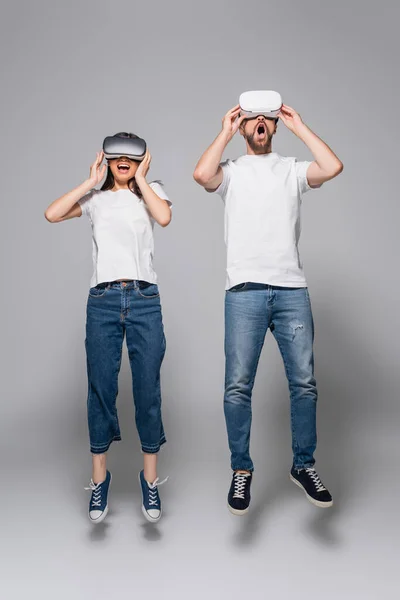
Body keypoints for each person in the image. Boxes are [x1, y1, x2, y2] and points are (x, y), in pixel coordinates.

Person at [193, 101, 343, 515]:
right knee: (238, 386)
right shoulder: (233, 173)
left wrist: (300, 126)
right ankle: (241, 469)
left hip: (292, 290)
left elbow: (331, 167)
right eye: (252, 119)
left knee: (304, 384)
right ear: (244, 128)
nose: (260, 123)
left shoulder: (292, 169)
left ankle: (303, 465)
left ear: (274, 125)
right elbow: (201, 175)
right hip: (244, 292)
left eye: (267, 118)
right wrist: (225, 129)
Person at [45, 132, 172, 524]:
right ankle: (99, 478)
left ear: (141, 161)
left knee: (147, 387)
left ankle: (149, 480)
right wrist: (89, 181)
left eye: (130, 157)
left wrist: (145, 179)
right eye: (115, 155)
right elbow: (52, 213)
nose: (122, 160)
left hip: (144, 299)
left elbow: (164, 217)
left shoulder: (153, 192)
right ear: (106, 159)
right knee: (100, 386)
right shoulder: (96, 200)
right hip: (102, 301)